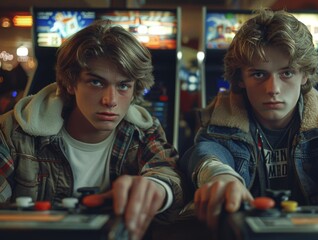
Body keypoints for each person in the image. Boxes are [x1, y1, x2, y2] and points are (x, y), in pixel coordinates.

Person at [0, 19, 184, 240]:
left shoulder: (144, 132)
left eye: (123, 85)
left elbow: (167, 172)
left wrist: (156, 187)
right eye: (96, 82)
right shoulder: (13, 131)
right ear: (70, 83)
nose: (110, 100)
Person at [179, 9, 318, 228]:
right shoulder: (219, 127)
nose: (273, 89)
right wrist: (219, 176)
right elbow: (207, 155)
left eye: (286, 73)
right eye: (258, 74)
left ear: (305, 75)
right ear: (241, 79)